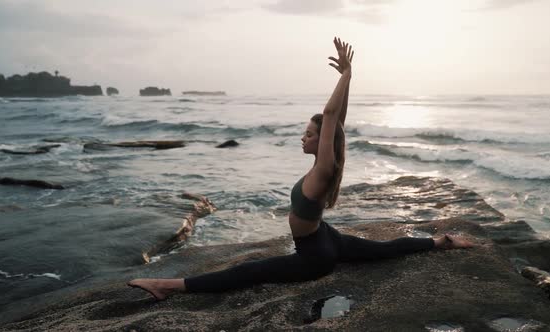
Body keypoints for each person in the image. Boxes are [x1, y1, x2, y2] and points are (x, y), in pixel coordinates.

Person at [128, 38, 473, 300]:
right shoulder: (325, 165)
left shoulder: (324, 169)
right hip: (326, 236)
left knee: (248, 271)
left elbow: (333, 117)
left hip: (315, 255)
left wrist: (348, 75)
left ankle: (167, 286)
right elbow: (336, 124)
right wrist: (348, 81)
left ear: (321, 140)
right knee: (381, 250)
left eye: (309, 133)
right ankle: (441, 241)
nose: (303, 138)